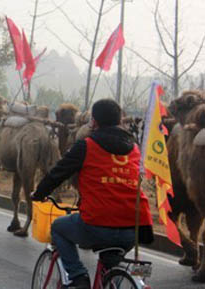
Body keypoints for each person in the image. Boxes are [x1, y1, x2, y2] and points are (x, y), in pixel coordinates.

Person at [31, 99, 154, 289]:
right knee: (109, 266)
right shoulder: (135, 148)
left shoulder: (86, 146)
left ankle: (78, 276)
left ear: (94, 122)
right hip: (136, 228)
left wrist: (39, 193)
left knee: (58, 228)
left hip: (98, 224)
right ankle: (111, 280)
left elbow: (58, 173)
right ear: (120, 120)